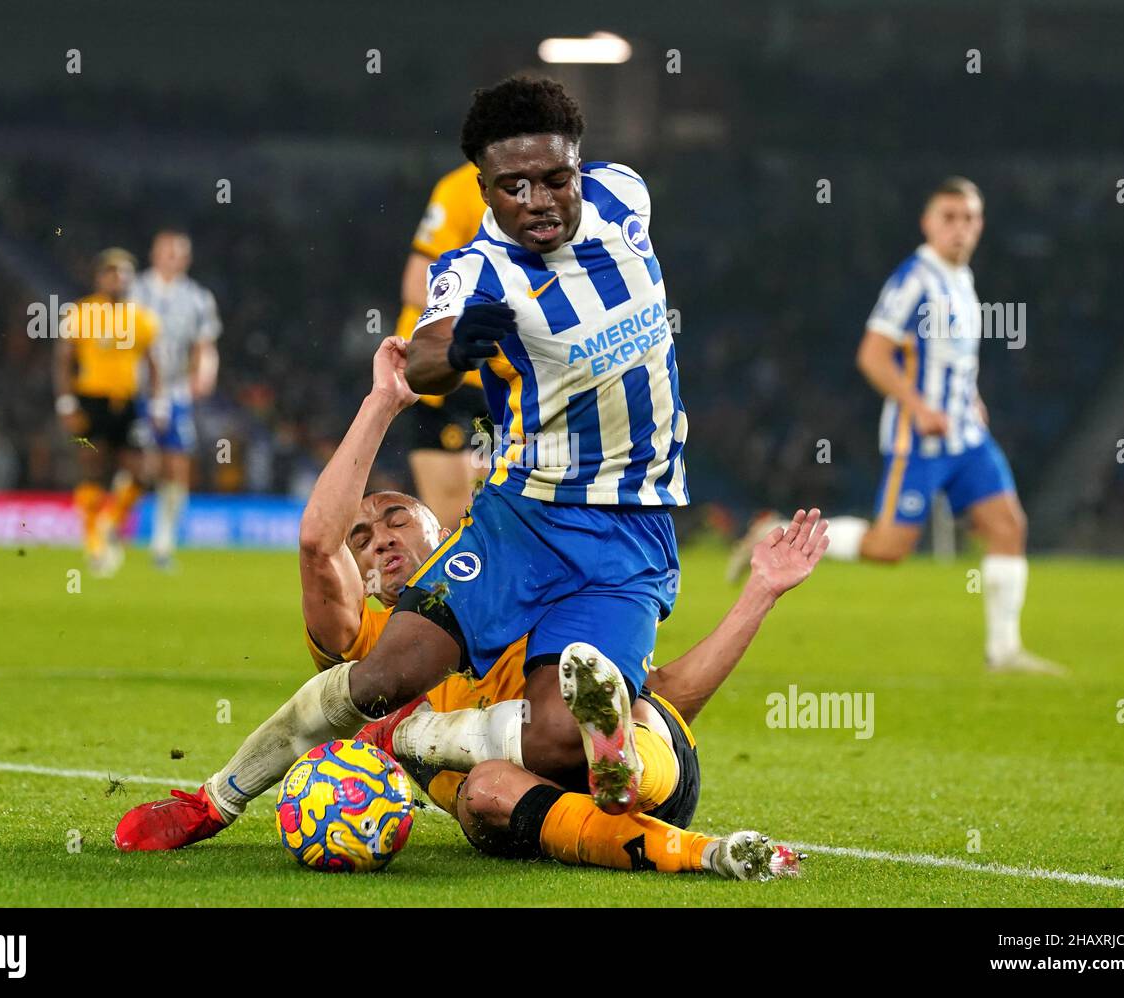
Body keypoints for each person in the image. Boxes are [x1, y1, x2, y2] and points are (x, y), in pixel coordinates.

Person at [115, 337, 827, 880]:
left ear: (446, 533)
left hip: (641, 762)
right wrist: (383, 404)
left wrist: (757, 596)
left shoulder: (511, 582)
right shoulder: (365, 636)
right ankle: (676, 836)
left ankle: (618, 770)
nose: (381, 536)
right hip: (513, 801)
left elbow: (668, 695)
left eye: (398, 518)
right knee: (481, 788)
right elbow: (313, 540)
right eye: (362, 540)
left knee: (631, 714)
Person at [729, 177, 1065, 675]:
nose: (960, 228)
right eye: (949, 217)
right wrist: (918, 406)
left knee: (1008, 526)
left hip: (967, 437)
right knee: (889, 549)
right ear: (928, 223)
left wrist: (970, 397)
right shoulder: (914, 280)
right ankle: (779, 529)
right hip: (921, 438)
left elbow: (951, 356)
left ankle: (1004, 652)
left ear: (980, 225)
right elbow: (873, 355)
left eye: (969, 218)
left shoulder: (963, 280)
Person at [53, 248, 161, 577]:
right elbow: (63, 360)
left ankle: (109, 523)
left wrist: (157, 403)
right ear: (100, 277)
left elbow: (154, 364)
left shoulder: (142, 317)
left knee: (143, 472)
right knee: (94, 470)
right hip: (92, 400)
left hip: (127, 403)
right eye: (112, 272)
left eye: (124, 272)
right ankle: (93, 542)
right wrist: (66, 402)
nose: (118, 278)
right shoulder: (82, 312)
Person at [395, 163, 487, 531]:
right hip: (447, 371)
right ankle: (449, 587)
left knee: (493, 510)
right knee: (453, 513)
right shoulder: (461, 189)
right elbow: (418, 282)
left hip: (509, 375)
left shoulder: (559, 192)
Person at [130, 230, 222, 570]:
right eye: (166, 251)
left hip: (175, 391)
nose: (172, 257)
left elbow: (204, 345)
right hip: (135, 389)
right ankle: (112, 530)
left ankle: (163, 543)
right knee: (135, 463)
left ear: (187, 258)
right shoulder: (133, 291)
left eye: (178, 252)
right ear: (154, 254)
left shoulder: (198, 298)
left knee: (177, 463)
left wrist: (203, 375)